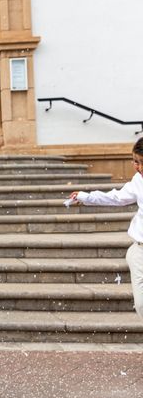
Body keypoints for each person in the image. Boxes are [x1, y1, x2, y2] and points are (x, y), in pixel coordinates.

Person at [70, 137, 143, 320]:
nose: (138, 167)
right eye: (135, 161)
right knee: (142, 303)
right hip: (140, 251)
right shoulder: (138, 181)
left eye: (142, 163)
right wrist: (87, 197)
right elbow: (116, 198)